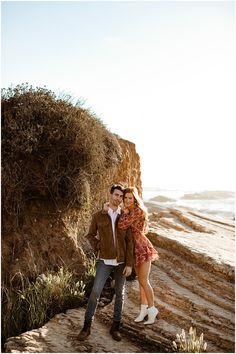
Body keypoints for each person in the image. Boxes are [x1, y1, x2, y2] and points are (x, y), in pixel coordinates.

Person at [78, 184, 134, 342]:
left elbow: (130, 242)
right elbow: (90, 235)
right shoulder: (99, 216)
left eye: (121, 196)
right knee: (95, 292)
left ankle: (116, 327)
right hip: (104, 261)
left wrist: (130, 264)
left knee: (120, 294)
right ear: (110, 195)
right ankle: (86, 327)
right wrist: (99, 247)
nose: (118, 198)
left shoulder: (125, 216)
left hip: (122, 262)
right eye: (116, 195)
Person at [117, 186, 159, 325]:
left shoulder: (137, 211)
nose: (127, 200)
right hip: (134, 249)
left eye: (130, 198)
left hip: (143, 248)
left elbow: (122, 225)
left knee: (144, 281)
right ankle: (143, 311)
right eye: (126, 198)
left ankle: (152, 310)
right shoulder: (130, 211)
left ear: (135, 199)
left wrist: (125, 212)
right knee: (140, 283)